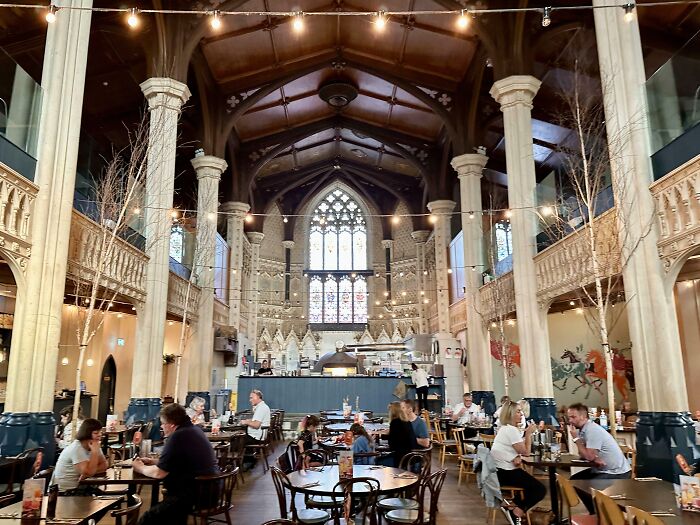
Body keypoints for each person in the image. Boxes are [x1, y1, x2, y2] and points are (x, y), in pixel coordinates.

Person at [133, 403, 219, 525]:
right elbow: (182, 462)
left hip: (196, 494)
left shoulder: (178, 436)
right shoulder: (193, 430)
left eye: (163, 423)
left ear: (172, 424)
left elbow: (159, 473)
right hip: (209, 490)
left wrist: (140, 467)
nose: (162, 427)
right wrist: (154, 461)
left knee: (148, 518)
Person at [567, 403, 631, 512]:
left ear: (583, 416)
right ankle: (595, 512)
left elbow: (588, 455)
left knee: (588, 488)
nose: (570, 421)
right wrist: (593, 457)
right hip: (602, 469)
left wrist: (576, 439)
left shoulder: (592, 430)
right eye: (569, 417)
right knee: (574, 480)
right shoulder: (584, 430)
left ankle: (600, 514)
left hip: (616, 472)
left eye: (573, 417)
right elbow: (584, 455)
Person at [490, 401, 545, 525]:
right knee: (540, 489)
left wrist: (517, 456)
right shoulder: (511, 430)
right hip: (505, 472)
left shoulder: (505, 429)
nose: (521, 414)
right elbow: (526, 452)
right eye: (518, 411)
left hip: (498, 471)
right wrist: (529, 433)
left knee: (532, 486)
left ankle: (511, 506)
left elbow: (516, 450)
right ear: (510, 414)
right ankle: (516, 512)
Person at [51, 418, 108, 493]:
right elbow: (89, 472)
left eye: (100, 432)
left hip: (81, 487)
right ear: (87, 433)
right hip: (64, 492)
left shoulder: (94, 445)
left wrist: (86, 475)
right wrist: (94, 453)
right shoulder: (77, 448)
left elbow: (104, 465)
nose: (100, 435)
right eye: (96, 433)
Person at [240, 389, 271, 470]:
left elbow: (256, 425)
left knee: (235, 440)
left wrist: (245, 422)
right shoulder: (261, 407)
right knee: (238, 437)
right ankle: (249, 461)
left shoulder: (261, 408)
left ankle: (246, 462)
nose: (250, 400)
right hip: (257, 435)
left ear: (258, 397)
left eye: (251, 398)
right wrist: (248, 421)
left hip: (256, 436)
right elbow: (255, 421)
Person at [382, 401, 417, 467]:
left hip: (400, 459)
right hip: (411, 458)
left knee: (377, 461)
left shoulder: (395, 423)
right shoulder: (407, 422)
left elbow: (392, 445)